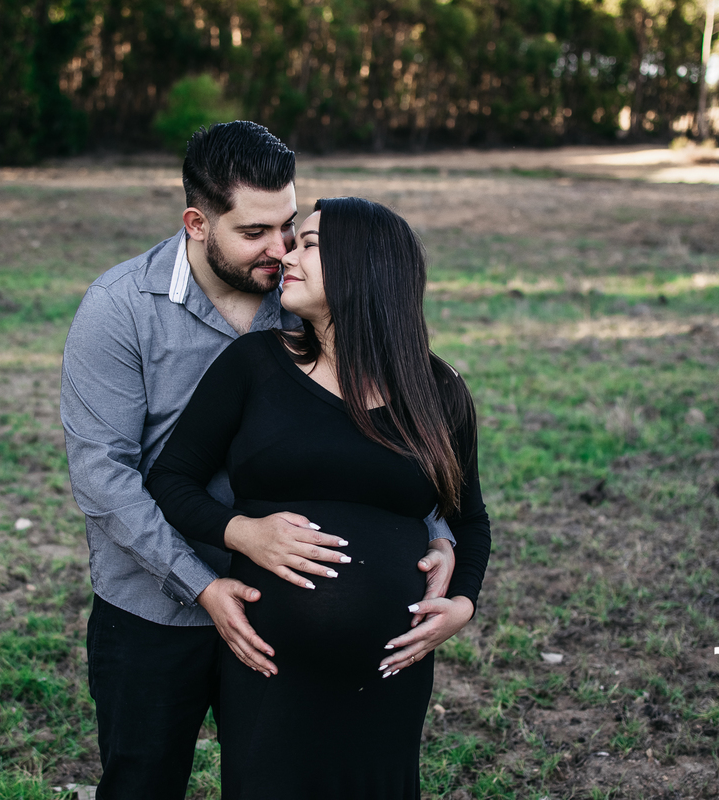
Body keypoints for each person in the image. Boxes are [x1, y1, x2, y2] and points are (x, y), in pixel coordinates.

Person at [60, 122, 458, 800]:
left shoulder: (307, 293)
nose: (280, 250)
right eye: (254, 233)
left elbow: (392, 426)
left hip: (285, 616)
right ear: (197, 222)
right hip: (158, 604)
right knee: (143, 783)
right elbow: (104, 478)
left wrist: (437, 532)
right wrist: (205, 580)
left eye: (290, 225)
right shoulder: (119, 310)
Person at [146, 197, 492, 800]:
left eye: (308, 244)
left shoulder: (439, 391)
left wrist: (462, 603)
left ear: (364, 267)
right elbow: (171, 479)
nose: (286, 255)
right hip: (272, 670)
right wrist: (241, 532)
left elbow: (470, 520)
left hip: (389, 674)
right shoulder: (255, 365)